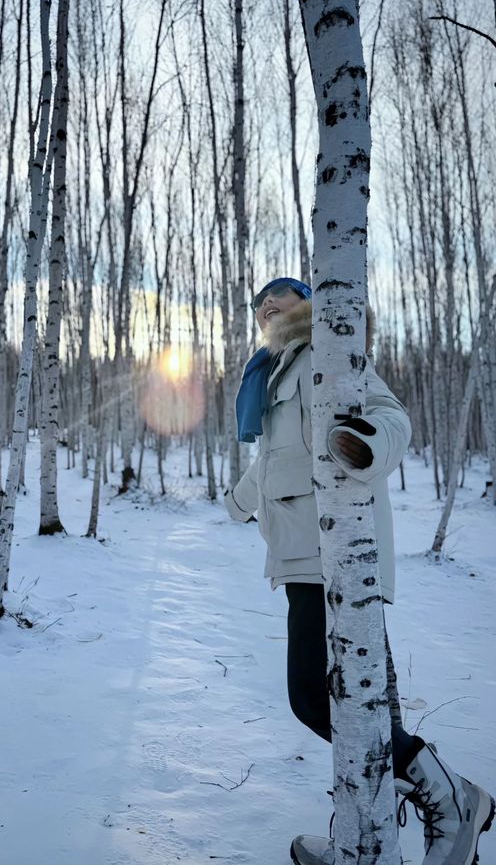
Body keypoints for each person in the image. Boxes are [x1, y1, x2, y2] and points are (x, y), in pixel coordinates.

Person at [224, 277, 494, 865]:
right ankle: (368, 838)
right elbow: (276, 459)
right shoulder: (275, 373)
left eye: (281, 298)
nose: (267, 307)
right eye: (259, 306)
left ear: (307, 306)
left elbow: (390, 415)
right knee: (362, 703)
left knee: (320, 702)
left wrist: (363, 445)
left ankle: (452, 800)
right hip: (302, 559)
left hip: (337, 557)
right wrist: (239, 501)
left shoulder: (328, 351)